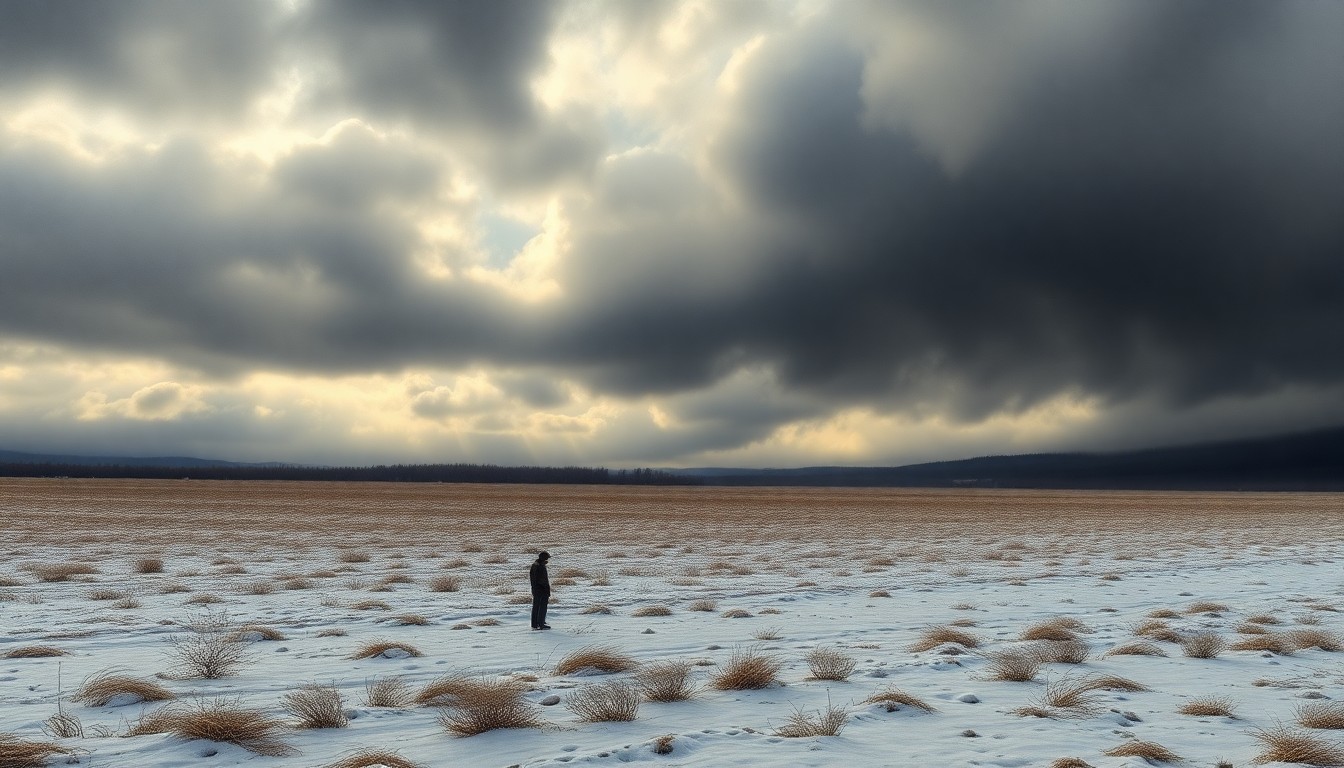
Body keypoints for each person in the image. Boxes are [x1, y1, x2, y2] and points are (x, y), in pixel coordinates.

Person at [529, 550, 552, 630]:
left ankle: (535, 624)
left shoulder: (535, 565)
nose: (547, 560)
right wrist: (546, 590)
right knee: (542, 607)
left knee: (536, 607)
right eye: (546, 558)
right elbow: (542, 580)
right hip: (541, 590)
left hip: (536, 589)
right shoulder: (540, 567)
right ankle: (541, 624)